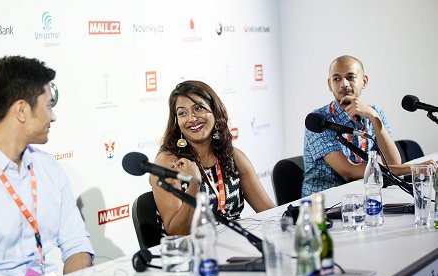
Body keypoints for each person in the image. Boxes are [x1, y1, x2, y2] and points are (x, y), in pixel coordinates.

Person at [0, 56, 95, 276]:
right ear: (22, 110)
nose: (54, 116)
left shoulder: (48, 168)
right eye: (48, 106)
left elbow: (78, 246)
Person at [151, 80, 275, 235]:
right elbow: (177, 232)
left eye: (198, 108)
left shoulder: (233, 157)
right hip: (193, 252)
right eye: (182, 113)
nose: (192, 118)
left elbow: (268, 211)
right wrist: (194, 185)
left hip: (237, 246)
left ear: (215, 111)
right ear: (177, 121)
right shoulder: (169, 163)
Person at [302, 55, 437, 196]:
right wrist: (413, 168)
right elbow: (349, 172)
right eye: (337, 79)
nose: (344, 84)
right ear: (330, 84)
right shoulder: (319, 120)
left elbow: (394, 161)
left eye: (350, 77)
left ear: (364, 81)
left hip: (360, 194)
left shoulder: (374, 112)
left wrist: (373, 117)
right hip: (321, 202)